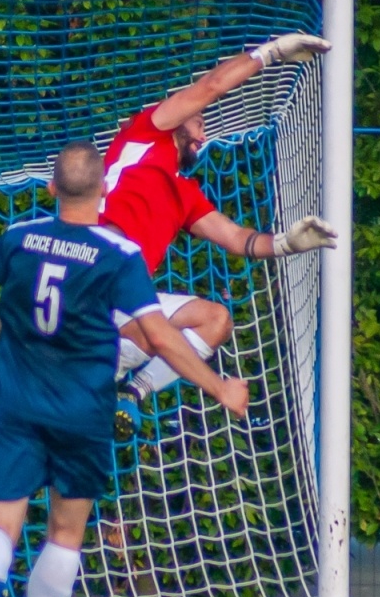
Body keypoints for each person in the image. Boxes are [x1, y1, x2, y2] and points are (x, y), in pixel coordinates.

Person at [0, 141, 249, 597]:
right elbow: (158, 337)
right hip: (83, 408)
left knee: (0, 522)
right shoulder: (118, 254)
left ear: (51, 188)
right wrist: (218, 387)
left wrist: (14, 329)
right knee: (66, 533)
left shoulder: (16, 239)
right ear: (105, 188)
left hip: (17, 401)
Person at [104, 33, 338, 409]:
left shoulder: (185, 194)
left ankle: (131, 395)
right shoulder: (146, 133)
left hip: (126, 302)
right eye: (199, 122)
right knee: (153, 329)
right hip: (95, 277)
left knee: (216, 321)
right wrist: (270, 53)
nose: (204, 134)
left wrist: (287, 243)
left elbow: (235, 238)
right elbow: (212, 86)